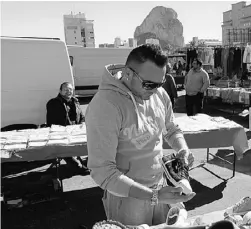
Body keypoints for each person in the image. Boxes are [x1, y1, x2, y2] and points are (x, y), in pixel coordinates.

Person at [85, 44, 196, 226]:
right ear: (128, 73)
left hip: (161, 187)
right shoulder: (106, 105)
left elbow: (171, 129)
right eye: (149, 84)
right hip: (127, 196)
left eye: (160, 83)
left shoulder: (159, 94)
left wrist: (182, 148)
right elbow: (103, 171)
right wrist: (153, 196)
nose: (154, 90)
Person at [46, 82, 89, 174]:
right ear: (60, 91)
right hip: (62, 136)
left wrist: (81, 125)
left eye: (70, 89)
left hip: (76, 133)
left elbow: (81, 117)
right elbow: (51, 124)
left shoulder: (75, 101)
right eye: (65, 89)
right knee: (78, 167)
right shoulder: (53, 103)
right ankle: (75, 162)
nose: (68, 91)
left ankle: (80, 160)